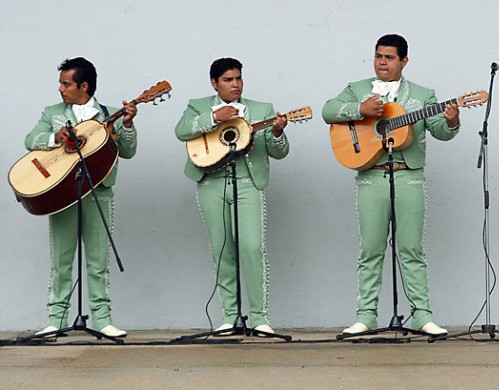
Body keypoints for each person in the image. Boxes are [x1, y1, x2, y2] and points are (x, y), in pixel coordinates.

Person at [322, 34, 460, 336]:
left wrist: (451, 121)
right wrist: (360, 110)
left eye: (389, 57)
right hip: (371, 174)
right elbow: (328, 110)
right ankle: (366, 316)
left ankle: (421, 316)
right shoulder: (357, 89)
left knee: (411, 248)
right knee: (370, 249)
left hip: (408, 175)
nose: (382, 62)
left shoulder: (423, 94)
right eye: (378, 56)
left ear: (404, 61)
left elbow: (439, 131)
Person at [26, 57, 138, 338]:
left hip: (98, 191)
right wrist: (56, 137)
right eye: (61, 83)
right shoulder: (52, 112)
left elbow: (128, 151)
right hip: (62, 192)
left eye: (66, 83)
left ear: (83, 86)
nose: (61, 89)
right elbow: (31, 140)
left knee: (98, 260)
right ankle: (57, 318)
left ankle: (102, 319)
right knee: (61, 260)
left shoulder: (108, 114)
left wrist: (126, 124)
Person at [175, 58, 288, 335]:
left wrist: (276, 132)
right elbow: (181, 131)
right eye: (228, 80)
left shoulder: (262, 109)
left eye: (238, 78)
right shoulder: (198, 106)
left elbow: (279, 152)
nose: (235, 84)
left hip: (248, 182)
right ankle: (230, 315)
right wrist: (214, 118)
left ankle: (260, 317)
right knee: (222, 249)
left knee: (252, 248)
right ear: (214, 83)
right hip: (211, 183)